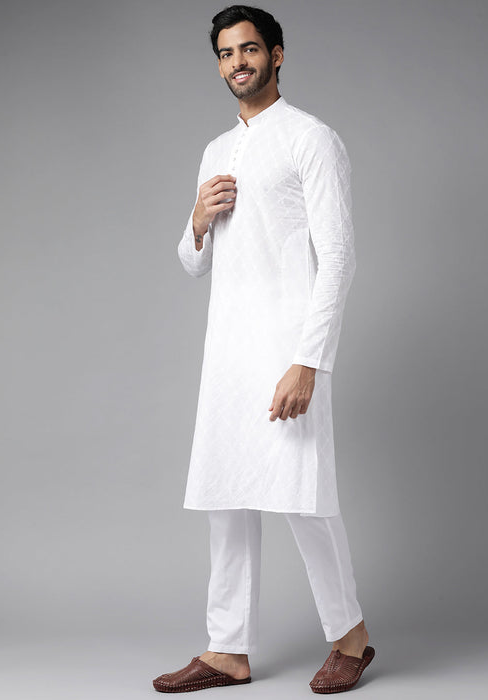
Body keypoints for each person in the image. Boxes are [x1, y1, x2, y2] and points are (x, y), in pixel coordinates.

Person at [153, 5, 375, 694]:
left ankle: (351, 638)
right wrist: (196, 220)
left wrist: (309, 361)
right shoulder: (216, 150)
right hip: (228, 349)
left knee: (303, 496)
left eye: (249, 50)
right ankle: (227, 650)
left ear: (276, 55)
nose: (237, 63)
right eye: (225, 54)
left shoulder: (311, 138)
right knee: (226, 496)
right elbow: (194, 264)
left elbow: (338, 258)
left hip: (287, 346)